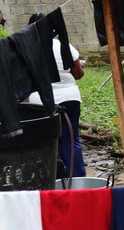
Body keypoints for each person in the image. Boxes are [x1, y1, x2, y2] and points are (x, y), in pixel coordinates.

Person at [26, 12, 86, 178]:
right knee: (71, 141)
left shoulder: (27, 49)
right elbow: (78, 74)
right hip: (70, 99)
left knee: (47, 142)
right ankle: (79, 181)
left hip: (40, 103)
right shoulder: (64, 46)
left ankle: (53, 180)